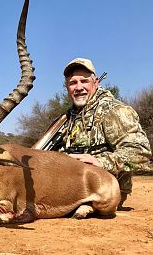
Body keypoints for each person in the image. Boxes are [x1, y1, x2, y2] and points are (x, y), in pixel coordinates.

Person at [34, 57, 152, 208]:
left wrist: (101, 162)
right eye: (72, 83)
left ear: (95, 83)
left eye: (84, 81)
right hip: (68, 188)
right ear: (67, 88)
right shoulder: (66, 119)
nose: (78, 87)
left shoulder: (114, 110)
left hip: (104, 190)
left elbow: (140, 151)